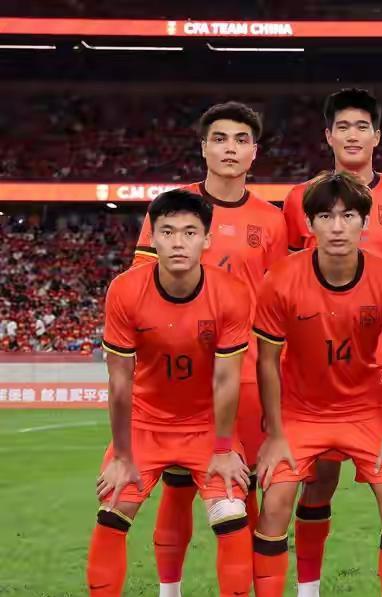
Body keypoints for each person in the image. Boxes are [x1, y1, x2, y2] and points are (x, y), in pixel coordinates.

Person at [131, 101, 288, 597]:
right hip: (181, 378)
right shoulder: (170, 210)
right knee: (177, 489)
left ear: (254, 152)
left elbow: (278, 303)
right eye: (219, 138)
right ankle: (169, 591)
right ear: (203, 148)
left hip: (247, 374)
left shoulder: (273, 220)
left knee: (246, 491)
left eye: (241, 140)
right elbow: (141, 289)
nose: (230, 148)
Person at [281, 89, 382, 596]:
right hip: (317, 373)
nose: (352, 135)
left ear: (377, 136)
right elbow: (286, 276)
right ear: (328, 136)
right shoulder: (299, 199)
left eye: (361, 126)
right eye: (342, 126)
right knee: (317, 482)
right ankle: (308, 589)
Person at [252, 172, 382, 596]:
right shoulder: (280, 278)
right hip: (300, 412)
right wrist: (275, 434)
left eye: (348, 216)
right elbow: (267, 361)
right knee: (274, 501)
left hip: (365, 411)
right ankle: (306, 591)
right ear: (309, 224)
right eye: (325, 216)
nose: (337, 227)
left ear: (365, 221)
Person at [89, 189, 254, 597]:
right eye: (168, 232)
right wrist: (122, 456)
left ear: (207, 239)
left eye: (189, 232)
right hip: (145, 424)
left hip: (205, 425)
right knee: (113, 508)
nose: (178, 242)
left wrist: (223, 449)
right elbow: (120, 382)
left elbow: (226, 379)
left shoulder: (231, 293)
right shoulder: (125, 290)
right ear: (153, 239)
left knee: (232, 513)